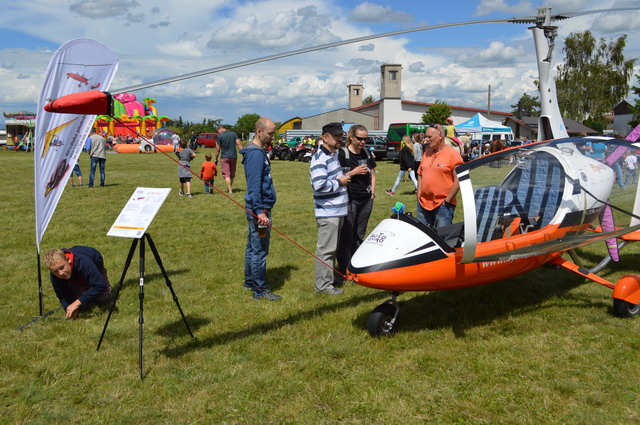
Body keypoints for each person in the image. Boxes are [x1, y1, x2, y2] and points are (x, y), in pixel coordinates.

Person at [240, 117, 281, 301]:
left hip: (260, 208)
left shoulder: (258, 151)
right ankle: (259, 289)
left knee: (253, 246)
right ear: (259, 132)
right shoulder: (255, 154)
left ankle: (249, 282)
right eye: (270, 133)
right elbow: (254, 186)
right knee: (260, 250)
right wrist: (260, 211)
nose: (272, 137)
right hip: (260, 210)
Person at [310, 122, 352, 295]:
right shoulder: (320, 157)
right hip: (328, 212)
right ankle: (323, 286)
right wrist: (340, 182)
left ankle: (329, 280)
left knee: (332, 249)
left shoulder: (333, 155)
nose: (340, 139)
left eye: (341, 135)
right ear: (325, 137)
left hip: (337, 211)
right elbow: (319, 185)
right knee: (326, 250)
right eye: (336, 136)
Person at [336, 124, 375, 278]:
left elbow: (373, 174)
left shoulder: (366, 153)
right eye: (359, 139)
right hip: (350, 200)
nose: (363, 142)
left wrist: (372, 194)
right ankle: (343, 269)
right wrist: (354, 172)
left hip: (366, 200)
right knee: (346, 236)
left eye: (365, 139)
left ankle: (356, 267)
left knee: (359, 235)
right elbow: (337, 177)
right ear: (351, 137)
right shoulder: (343, 154)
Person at [44, 246, 113, 319]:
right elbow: (62, 296)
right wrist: (68, 307)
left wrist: (77, 302)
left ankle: (89, 283)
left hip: (94, 263)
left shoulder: (82, 261)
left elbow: (100, 285)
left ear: (68, 259)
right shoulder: (54, 275)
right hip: (73, 275)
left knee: (104, 299)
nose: (61, 273)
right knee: (83, 306)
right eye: (55, 271)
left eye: (62, 267)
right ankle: (81, 285)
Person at [416, 124, 464, 228]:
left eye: (429, 137)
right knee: (422, 235)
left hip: (443, 206)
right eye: (426, 137)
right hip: (423, 204)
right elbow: (420, 174)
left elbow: (458, 180)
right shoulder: (427, 153)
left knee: (442, 236)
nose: (426, 140)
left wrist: (447, 201)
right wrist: (419, 195)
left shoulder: (453, 155)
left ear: (440, 136)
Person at [215, 125, 243, 194]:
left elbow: (217, 149)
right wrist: (243, 153)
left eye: (218, 131)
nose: (218, 132)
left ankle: (230, 191)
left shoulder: (219, 136)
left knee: (226, 174)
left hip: (224, 157)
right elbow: (239, 144)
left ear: (221, 128)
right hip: (233, 157)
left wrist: (216, 159)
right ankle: (229, 188)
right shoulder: (233, 134)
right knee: (232, 174)